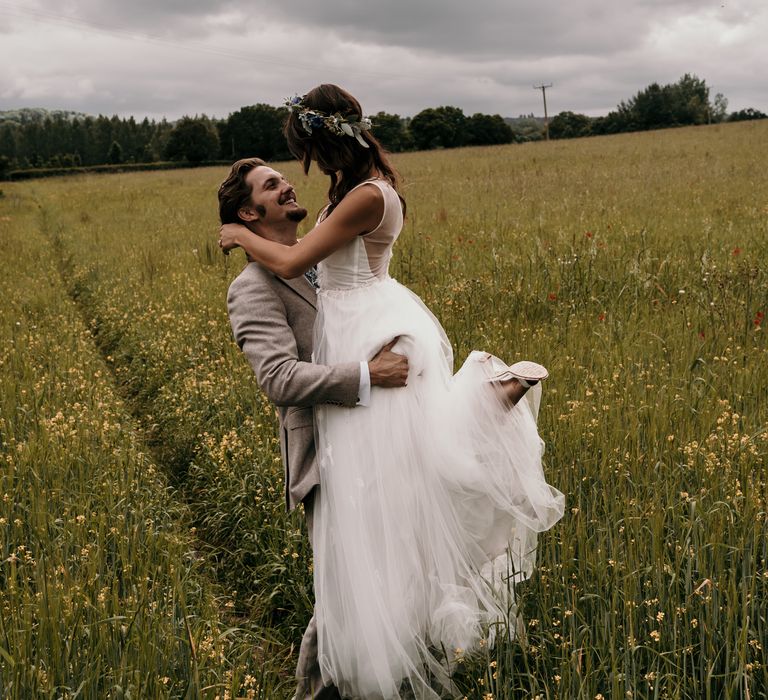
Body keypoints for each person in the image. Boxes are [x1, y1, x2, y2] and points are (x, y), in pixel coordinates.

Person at [219, 85, 565, 700]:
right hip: (352, 362)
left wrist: (242, 237)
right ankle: (484, 406)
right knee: (373, 540)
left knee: (386, 525)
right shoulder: (334, 206)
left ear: (325, 142)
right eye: (274, 184)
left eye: (297, 159)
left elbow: (296, 261)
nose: (296, 179)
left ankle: (486, 407)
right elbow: (279, 371)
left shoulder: (363, 196)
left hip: (370, 336)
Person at [219, 156, 410, 699]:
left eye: (284, 177)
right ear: (249, 213)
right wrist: (368, 375)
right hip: (328, 461)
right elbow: (278, 379)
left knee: (384, 587)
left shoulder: (318, 264)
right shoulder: (252, 288)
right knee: (344, 600)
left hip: (377, 443)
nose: (287, 186)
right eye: (272, 185)